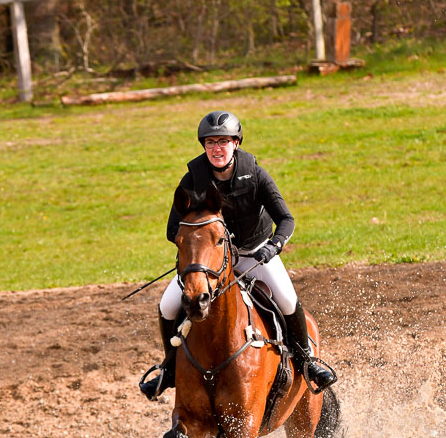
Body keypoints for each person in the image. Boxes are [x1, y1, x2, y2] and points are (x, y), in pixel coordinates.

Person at [140, 109, 336, 400]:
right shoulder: (192, 177)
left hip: (256, 255)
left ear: (236, 143)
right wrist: (202, 247)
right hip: (213, 264)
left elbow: (286, 220)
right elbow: (173, 230)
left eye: (223, 141)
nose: (216, 148)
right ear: (203, 146)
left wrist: (273, 246)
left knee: (286, 299)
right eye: (210, 143)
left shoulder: (254, 173)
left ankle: (308, 362)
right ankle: (169, 368)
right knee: (168, 305)